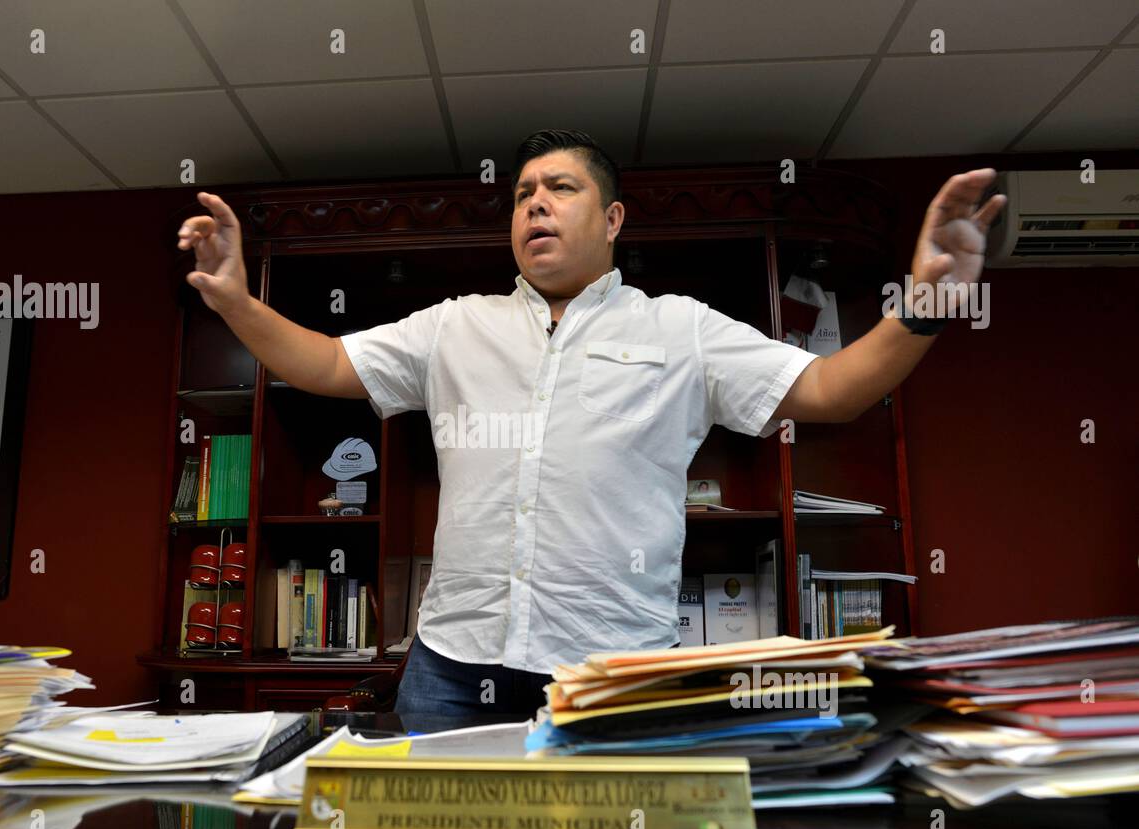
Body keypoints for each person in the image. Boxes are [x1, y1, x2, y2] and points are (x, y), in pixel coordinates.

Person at [177, 129, 1004, 717]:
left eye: (561, 189)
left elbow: (831, 390)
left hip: (615, 670)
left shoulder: (680, 327)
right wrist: (239, 303)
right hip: (452, 670)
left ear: (612, 221)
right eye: (524, 195)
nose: (536, 204)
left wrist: (926, 302)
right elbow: (322, 363)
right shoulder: (453, 325)